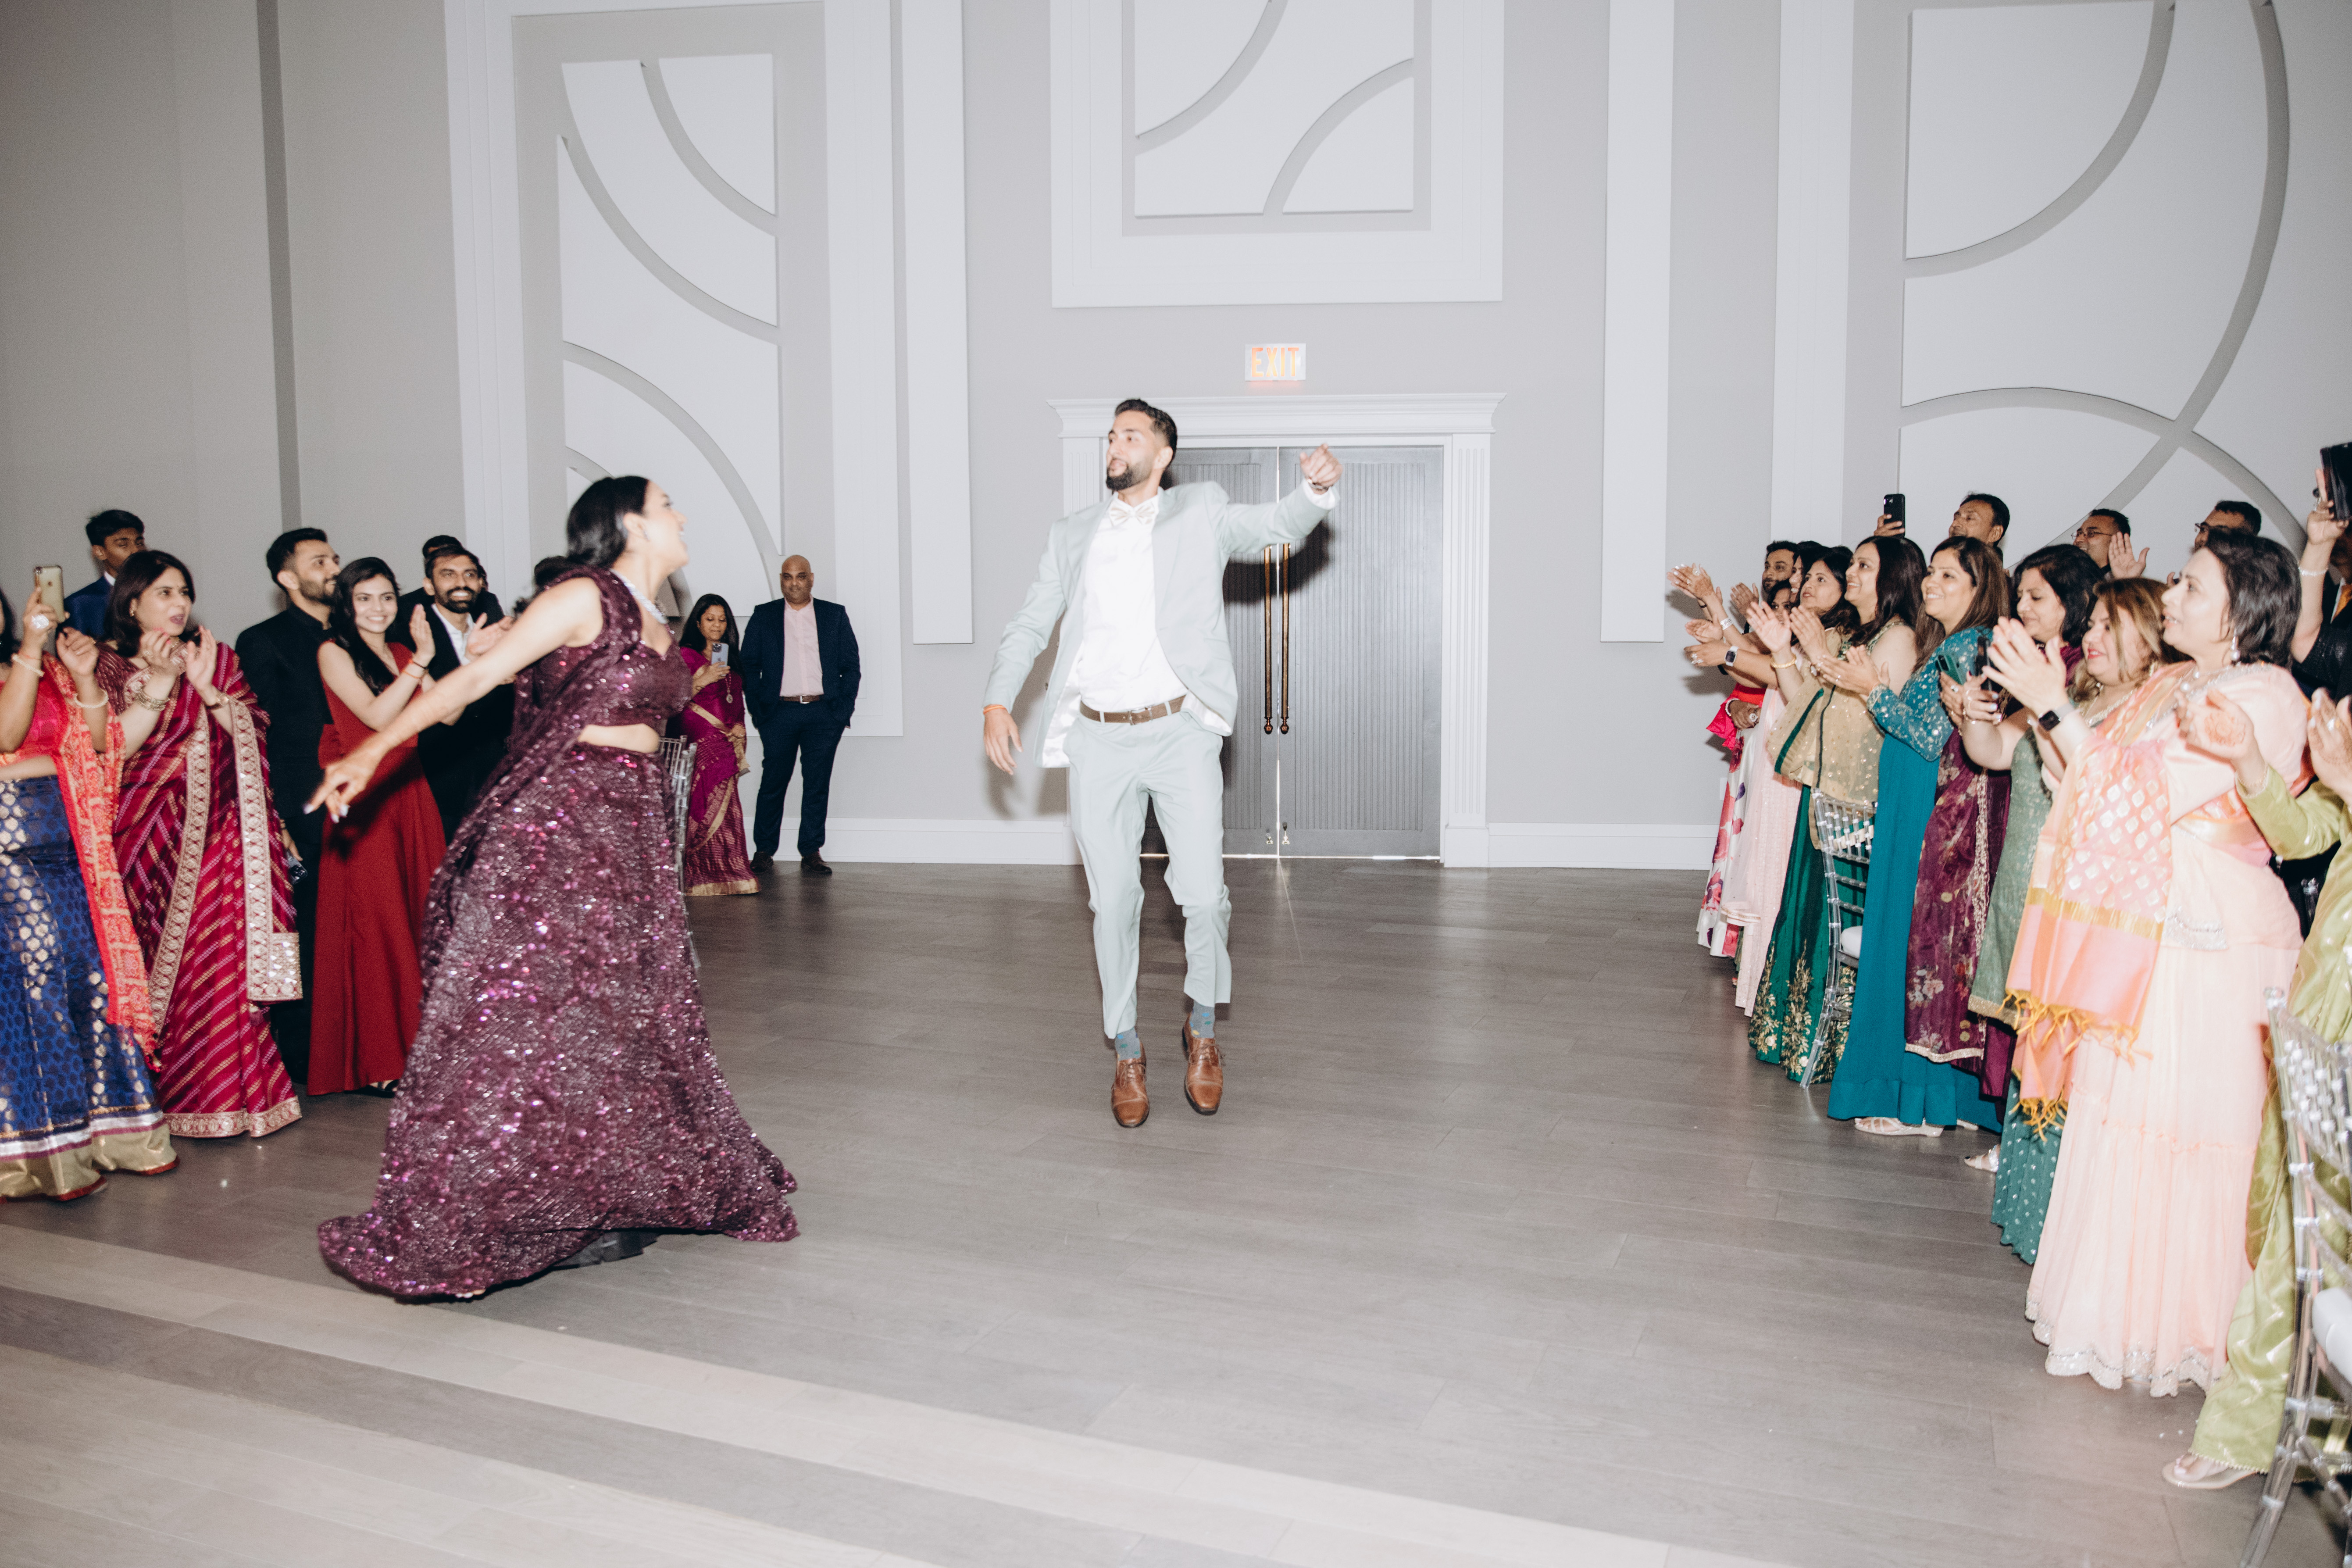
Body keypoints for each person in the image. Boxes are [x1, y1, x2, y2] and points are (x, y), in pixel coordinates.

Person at [311, 476, 796, 1300]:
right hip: (560, 823)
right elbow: (473, 681)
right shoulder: (582, 596)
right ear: (629, 524)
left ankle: (599, 1180)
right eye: (666, 504)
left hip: (630, 826)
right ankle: (511, 1195)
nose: (680, 515)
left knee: (620, 1013)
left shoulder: (656, 618)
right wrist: (370, 751)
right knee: (537, 1013)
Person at [1993, 531, 2306, 1397]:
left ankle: (2190, 1329)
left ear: (2242, 609)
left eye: (2191, 587)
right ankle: (2120, 1316)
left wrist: (2049, 703)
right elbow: (2086, 784)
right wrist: (2046, 711)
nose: (2168, 597)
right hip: (2151, 925)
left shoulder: (2263, 694)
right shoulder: (2175, 682)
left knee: (2192, 1131)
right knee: (2126, 1118)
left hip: (2213, 940)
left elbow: (2141, 791)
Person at [983, 397, 1343, 1128]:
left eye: (1130, 435)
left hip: (1179, 732)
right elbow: (1030, 624)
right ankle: (1125, 1047)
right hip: (1098, 739)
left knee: (1203, 897)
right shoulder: (1070, 534)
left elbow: (1273, 527)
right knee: (1113, 902)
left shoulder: (1200, 510)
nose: (1114, 445)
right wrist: (997, 700)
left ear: (1163, 454)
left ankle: (1202, 1029)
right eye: (1110, 435)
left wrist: (1312, 490)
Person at [2169, 688, 2352, 1489]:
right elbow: (2301, 834)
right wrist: (2245, 752)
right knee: (2298, 1221)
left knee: (2304, 1235)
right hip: (2324, 1009)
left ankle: (2244, 1431)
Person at [1961, 579, 2164, 1251]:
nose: (2093, 636)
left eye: (2110, 625)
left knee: (2073, 1056)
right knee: (2038, 1040)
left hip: (2093, 900)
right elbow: (1994, 752)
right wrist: (1972, 711)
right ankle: (2032, 1210)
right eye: (2094, 623)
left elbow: (2106, 795)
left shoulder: (2150, 712)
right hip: (2040, 879)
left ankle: (2069, 1227)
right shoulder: (2073, 695)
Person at [94, 551, 300, 1141]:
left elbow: (255, 730)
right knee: (155, 969)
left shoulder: (217, 657)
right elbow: (108, 751)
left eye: (184, 590)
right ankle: (154, 1095)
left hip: (226, 837)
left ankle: (233, 1097)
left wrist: (210, 690)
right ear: (133, 602)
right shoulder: (106, 667)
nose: (180, 602)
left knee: (227, 967)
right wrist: (161, 686)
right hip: (145, 840)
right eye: (164, 592)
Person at [1820, 536, 2007, 1138]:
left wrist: (1871, 689)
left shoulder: (1963, 645)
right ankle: (1936, 1095)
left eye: (1949, 576)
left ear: (1979, 586)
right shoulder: (1953, 644)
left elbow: (1927, 739)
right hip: (1915, 798)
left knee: (1907, 943)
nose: (1932, 583)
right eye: (1932, 572)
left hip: (1925, 804)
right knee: (1914, 944)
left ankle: (1915, 1098)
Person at [0, 583, 173, 1199]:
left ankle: (113, 1134)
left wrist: (81, 676)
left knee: (93, 978)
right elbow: (6, 734)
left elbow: (97, 742)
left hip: (70, 837)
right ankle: (45, 1150)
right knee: (37, 982)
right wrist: (31, 648)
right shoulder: (30, 660)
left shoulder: (47, 667)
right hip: (9, 848)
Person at [1745, 539, 1909, 1079]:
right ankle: (1794, 1033)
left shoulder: (1898, 639)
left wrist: (1815, 654)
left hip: (1858, 803)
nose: (1853, 573)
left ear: (1892, 577)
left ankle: (1838, 1044)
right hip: (1824, 797)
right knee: (1809, 910)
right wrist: (1784, 652)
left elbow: (1874, 722)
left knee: (1838, 918)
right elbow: (1805, 705)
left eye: (1864, 565)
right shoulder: (1845, 635)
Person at [309, 559, 448, 1097]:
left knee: (416, 919)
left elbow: (448, 715)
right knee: (377, 926)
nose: (378, 608)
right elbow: (375, 716)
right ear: (346, 604)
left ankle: (419, 1049)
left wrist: (474, 660)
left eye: (387, 597)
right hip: (365, 796)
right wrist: (420, 664)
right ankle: (380, 1060)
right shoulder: (333, 650)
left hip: (410, 792)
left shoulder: (401, 652)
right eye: (364, 598)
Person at [1717, 545, 1853, 1011]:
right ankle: (1758, 981)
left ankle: (1770, 985)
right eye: (1804, 576)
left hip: (1795, 766)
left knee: (1778, 870)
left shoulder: (1832, 637)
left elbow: (1787, 683)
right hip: (1780, 757)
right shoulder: (1810, 633)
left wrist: (1728, 645)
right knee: (1766, 866)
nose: (1804, 584)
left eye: (1818, 578)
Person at [235, 527, 340, 1081]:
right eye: (319, 561)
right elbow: (254, 733)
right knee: (300, 930)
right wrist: (273, 815)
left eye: (334, 558)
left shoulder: (356, 630)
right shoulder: (263, 639)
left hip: (357, 796)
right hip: (300, 801)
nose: (333, 568)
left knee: (351, 927)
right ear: (287, 577)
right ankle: (299, 1053)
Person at [738, 555, 859, 877]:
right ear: (781, 580)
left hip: (823, 714)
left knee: (817, 784)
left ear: (811, 579)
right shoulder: (764, 616)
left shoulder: (834, 615)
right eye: (788, 577)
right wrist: (760, 710)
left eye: (801, 576)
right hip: (779, 713)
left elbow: (851, 666)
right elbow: (748, 665)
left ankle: (811, 851)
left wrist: (841, 710)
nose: (794, 583)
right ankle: (764, 850)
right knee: (773, 783)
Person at [407, 540, 514, 839]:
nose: (461, 583)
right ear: (429, 586)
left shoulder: (494, 630)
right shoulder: (413, 635)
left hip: (494, 773)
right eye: (448, 574)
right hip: (441, 777)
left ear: (480, 583)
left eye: (469, 575)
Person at [677, 594, 757, 896]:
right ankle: (698, 874)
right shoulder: (686, 656)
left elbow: (736, 706)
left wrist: (738, 727)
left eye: (722, 620)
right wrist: (703, 678)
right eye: (710, 619)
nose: (717, 625)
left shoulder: (730, 661)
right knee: (701, 804)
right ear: (698, 623)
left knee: (728, 807)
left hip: (725, 743)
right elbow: (673, 699)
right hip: (698, 743)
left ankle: (731, 873)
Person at [64, 510, 146, 637]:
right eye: (123, 545)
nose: (136, 550)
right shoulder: (82, 603)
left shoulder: (158, 593)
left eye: (139, 543)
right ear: (100, 552)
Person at [2071, 509, 2147, 578]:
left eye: (2091, 533)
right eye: (2079, 534)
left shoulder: (2123, 582)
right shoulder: (2069, 581)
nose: (2078, 540)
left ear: (2118, 542)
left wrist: (2127, 582)